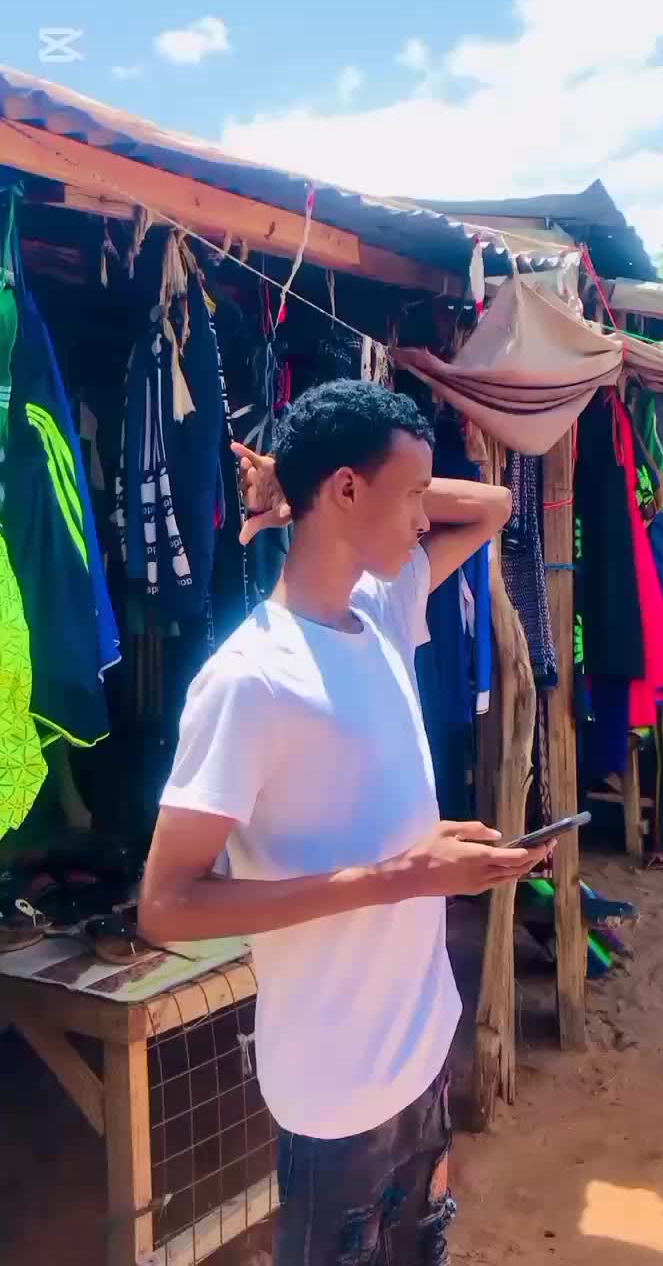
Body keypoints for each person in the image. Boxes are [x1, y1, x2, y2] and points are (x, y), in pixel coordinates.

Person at [139, 380, 553, 1265]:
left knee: (424, 1245)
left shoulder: (382, 610)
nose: (424, 518)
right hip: (334, 1087)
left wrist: (300, 481)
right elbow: (167, 907)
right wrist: (402, 878)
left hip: (422, 1047)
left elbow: (494, 504)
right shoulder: (250, 680)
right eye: (411, 495)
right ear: (349, 491)